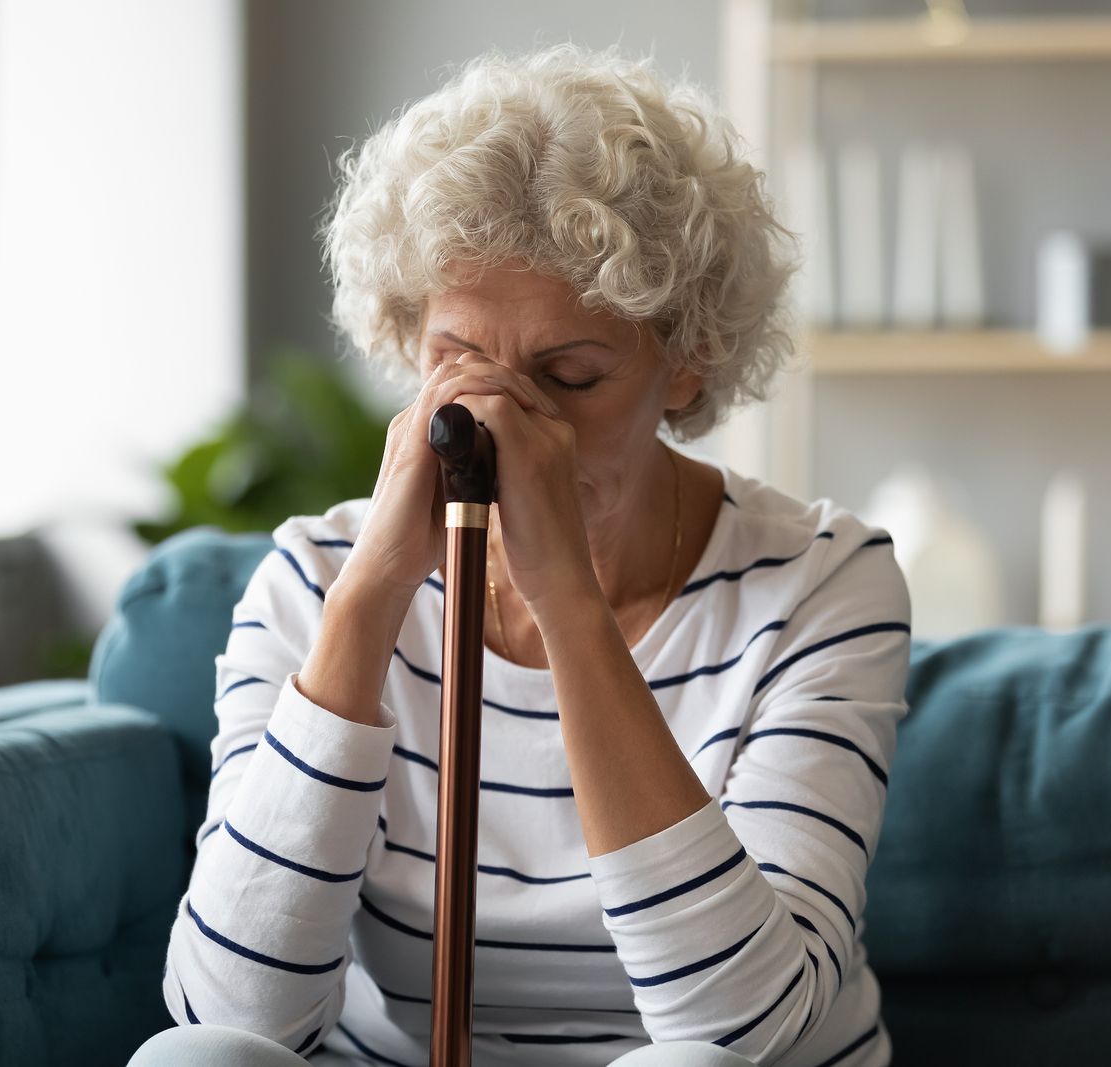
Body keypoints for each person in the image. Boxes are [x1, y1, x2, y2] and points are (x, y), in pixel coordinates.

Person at [129, 41, 909, 1067]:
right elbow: (234, 1009)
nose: (498, 421)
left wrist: (563, 597)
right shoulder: (313, 576)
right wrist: (368, 596)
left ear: (685, 362)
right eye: (458, 359)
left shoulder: (820, 580)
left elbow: (742, 1030)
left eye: (570, 375)